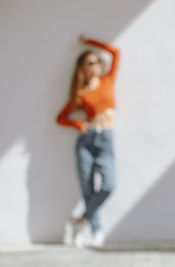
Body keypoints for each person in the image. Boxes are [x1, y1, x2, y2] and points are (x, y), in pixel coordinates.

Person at [56, 35, 120, 248]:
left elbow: (115, 52)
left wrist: (90, 42)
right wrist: (78, 125)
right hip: (86, 139)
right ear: (82, 68)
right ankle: (95, 228)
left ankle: (81, 220)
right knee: (87, 188)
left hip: (106, 138)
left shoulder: (108, 79)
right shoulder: (80, 92)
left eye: (97, 62)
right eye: (91, 63)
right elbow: (61, 118)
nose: (97, 65)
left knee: (108, 185)